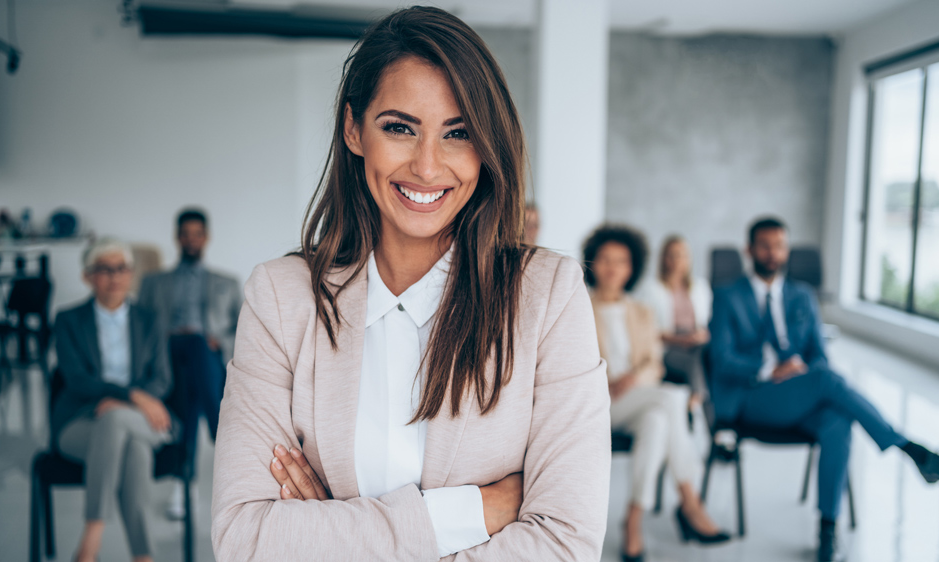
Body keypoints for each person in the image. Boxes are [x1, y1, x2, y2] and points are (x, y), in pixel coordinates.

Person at [210, 7, 611, 561]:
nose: (427, 166)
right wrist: (475, 512)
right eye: (399, 127)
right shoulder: (281, 299)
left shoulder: (547, 296)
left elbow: (566, 545)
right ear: (354, 129)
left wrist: (326, 529)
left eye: (458, 133)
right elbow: (244, 539)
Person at [710, 216, 939, 562]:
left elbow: (819, 356)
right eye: (764, 245)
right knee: (827, 382)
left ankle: (827, 529)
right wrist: (770, 369)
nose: (772, 253)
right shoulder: (726, 296)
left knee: (838, 421)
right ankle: (914, 452)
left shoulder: (802, 295)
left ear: (787, 249)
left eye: (779, 245)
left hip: (799, 393)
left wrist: (801, 373)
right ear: (749, 249)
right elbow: (721, 359)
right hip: (751, 396)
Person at [583, 225, 729, 562]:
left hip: (637, 399)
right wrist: (606, 382)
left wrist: (632, 379)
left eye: (621, 261)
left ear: (631, 268)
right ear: (593, 263)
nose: (612, 268)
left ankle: (633, 518)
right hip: (597, 403)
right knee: (673, 398)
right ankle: (689, 501)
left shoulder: (641, 310)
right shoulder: (579, 307)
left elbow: (653, 363)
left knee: (658, 421)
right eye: (605, 259)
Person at [53, 238, 175, 562]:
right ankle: (144, 557)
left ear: (131, 274)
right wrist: (132, 396)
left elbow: (162, 378)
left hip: (142, 418)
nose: (114, 276)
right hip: (79, 421)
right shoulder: (67, 320)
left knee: (117, 421)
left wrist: (124, 405)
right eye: (105, 269)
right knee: (134, 448)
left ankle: (90, 543)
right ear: (88, 276)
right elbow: (77, 380)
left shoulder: (150, 320)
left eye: (121, 268)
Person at [138, 208, 242, 519]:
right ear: (177, 237)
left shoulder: (227, 282)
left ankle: (184, 487)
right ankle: (219, 429)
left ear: (205, 238)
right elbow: (141, 330)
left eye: (197, 234)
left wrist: (219, 342)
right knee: (190, 356)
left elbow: (245, 330)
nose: (191, 240)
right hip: (168, 355)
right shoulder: (154, 283)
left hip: (207, 359)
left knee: (196, 354)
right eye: (186, 234)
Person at [641, 235, 713, 409]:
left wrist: (701, 336)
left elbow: (706, 324)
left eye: (682, 255)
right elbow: (648, 331)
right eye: (672, 255)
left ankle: (698, 402)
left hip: (694, 342)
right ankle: (697, 399)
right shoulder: (651, 289)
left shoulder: (700, 287)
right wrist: (680, 340)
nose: (677, 260)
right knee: (692, 361)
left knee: (710, 354)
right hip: (668, 346)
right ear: (663, 258)